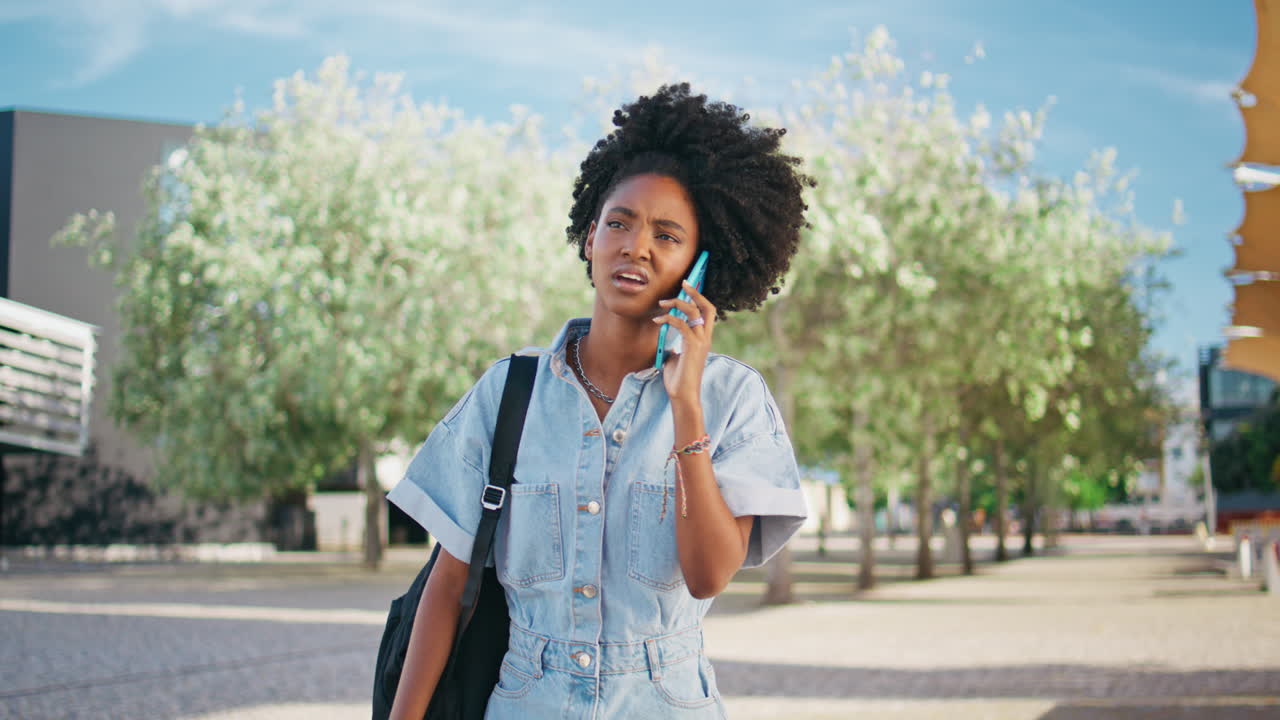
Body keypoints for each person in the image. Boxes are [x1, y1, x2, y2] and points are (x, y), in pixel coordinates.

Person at [386, 83, 812, 719]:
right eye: (619, 222)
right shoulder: (510, 392)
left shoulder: (732, 399)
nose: (636, 246)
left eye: (667, 236)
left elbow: (709, 575)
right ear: (590, 237)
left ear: (699, 266)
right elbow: (447, 588)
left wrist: (686, 405)